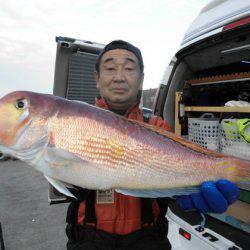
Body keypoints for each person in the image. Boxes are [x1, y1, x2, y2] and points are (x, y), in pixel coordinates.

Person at [66, 40, 240, 250]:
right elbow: (62, 181)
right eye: (110, 68)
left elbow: (169, 182)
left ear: (141, 80)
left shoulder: (157, 126)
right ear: (97, 78)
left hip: (148, 239)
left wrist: (184, 193)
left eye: (129, 68)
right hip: (88, 238)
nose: (119, 77)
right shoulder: (74, 123)